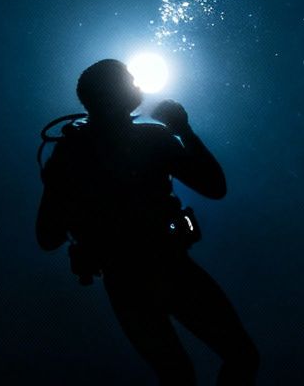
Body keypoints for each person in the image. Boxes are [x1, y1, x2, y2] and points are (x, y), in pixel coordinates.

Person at [37, 59, 260, 385]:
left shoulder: (68, 155)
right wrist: (183, 129)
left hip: (125, 283)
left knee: (177, 375)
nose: (137, 86)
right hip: (171, 268)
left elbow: (47, 236)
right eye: (129, 80)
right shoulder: (152, 139)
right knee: (239, 357)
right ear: (115, 93)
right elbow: (214, 187)